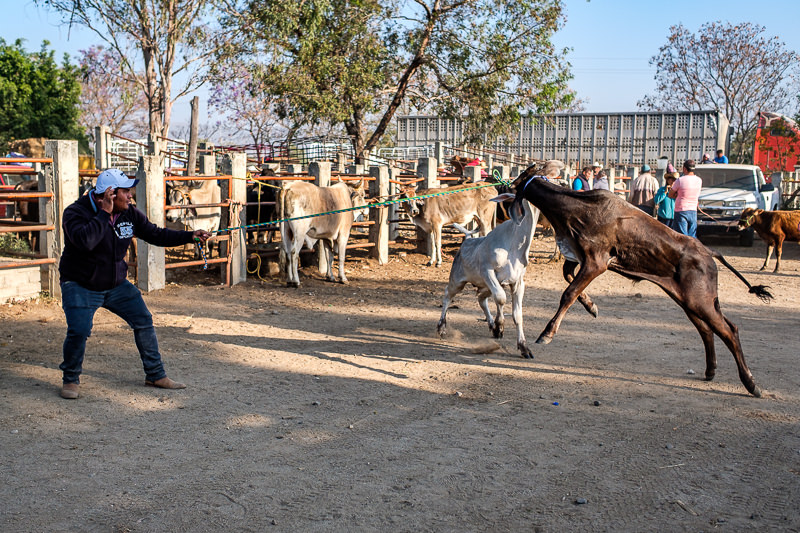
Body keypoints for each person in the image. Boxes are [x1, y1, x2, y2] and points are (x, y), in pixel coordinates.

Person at [58, 169, 210, 399]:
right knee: (79, 330)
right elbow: (85, 242)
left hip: (116, 283)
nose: (130, 196)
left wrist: (189, 236)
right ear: (109, 194)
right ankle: (70, 379)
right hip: (80, 284)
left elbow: (156, 234)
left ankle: (155, 375)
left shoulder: (129, 213)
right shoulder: (75, 213)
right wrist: (103, 214)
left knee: (143, 320)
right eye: (126, 192)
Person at [669, 159, 703, 237]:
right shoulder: (699, 180)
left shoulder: (680, 180)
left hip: (681, 210)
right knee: (692, 237)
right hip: (693, 211)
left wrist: (677, 195)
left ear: (684, 168)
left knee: (682, 237)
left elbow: (670, 194)